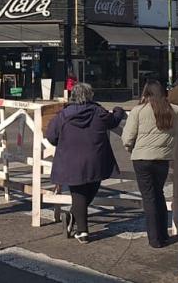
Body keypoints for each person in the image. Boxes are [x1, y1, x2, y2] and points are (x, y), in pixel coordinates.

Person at [122, 79, 178, 248]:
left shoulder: (138, 111)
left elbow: (127, 138)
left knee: (149, 198)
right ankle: (163, 235)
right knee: (158, 195)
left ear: (146, 93)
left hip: (141, 159)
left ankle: (155, 239)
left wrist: (131, 149)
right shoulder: (173, 110)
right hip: (162, 160)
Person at [46, 82, 124, 244]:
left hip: (71, 160)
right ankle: (80, 227)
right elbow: (113, 120)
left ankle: (80, 228)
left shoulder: (63, 114)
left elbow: (51, 136)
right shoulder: (98, 111)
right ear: (90, 96)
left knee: (79, 194)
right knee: (89, 189)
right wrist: (119, 110)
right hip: (95, 160)